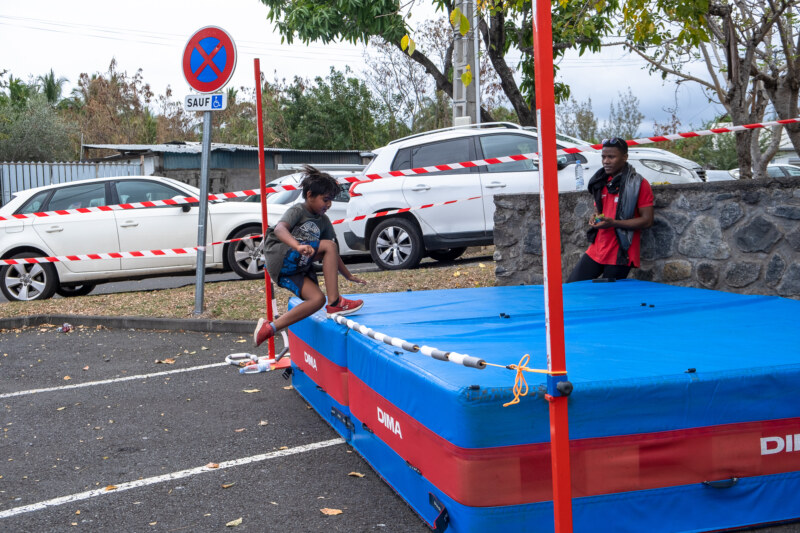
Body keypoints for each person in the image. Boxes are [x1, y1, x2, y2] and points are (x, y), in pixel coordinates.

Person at [254, 166, 367, 347]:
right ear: (309, 195)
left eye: (331, 200)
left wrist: (348, 275)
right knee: (328, 246)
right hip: (281, 255)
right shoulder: (298, 210)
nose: (329, 205)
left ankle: (270, 329)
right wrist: (297, 245)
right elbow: (280, 229)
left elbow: (333, 252)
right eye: (325, 199)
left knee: (317, 300)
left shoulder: (323, 221)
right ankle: (335, 302)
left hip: (291, 271)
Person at [566, 137, 654, 283]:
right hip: (597, 249)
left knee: (609, 298)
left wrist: (613, 223)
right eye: (603, 157)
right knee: (573, 287)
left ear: (625, 157)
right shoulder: (600, 181)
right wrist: (596, 218)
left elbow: (647, 220)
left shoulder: (639, 184)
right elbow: (600, 211)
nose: (606, 161)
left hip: (620, 253)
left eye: (611, 157)